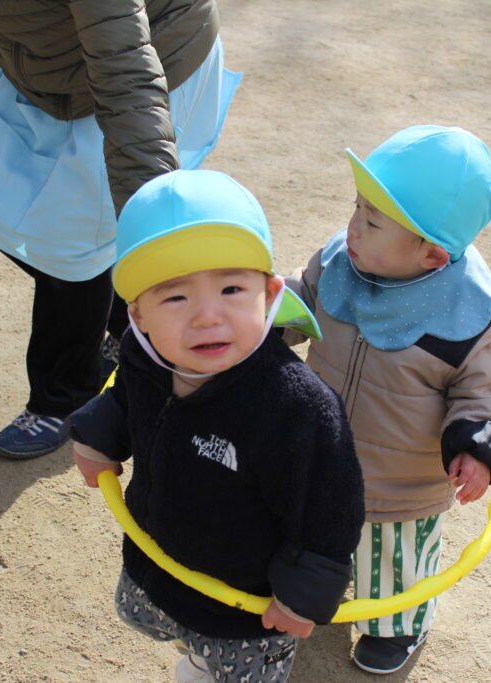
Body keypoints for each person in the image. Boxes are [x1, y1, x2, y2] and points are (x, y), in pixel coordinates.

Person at [0, 0, 240, 459]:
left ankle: (65, 398)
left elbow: (125, 71)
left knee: (71, 247)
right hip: (47, 67)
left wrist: (146, 213)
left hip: (144, 65)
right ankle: (123, 323)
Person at [68, 169, 366, 682]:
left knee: (235, 670)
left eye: (231, 288)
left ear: (270, 294)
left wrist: (303, 592)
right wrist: (99, 436)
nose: (208, 316)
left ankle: (213, 662)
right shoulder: (146, 354)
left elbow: (328, 513)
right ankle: (195, 653)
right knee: (173, 621)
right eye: (175, 297)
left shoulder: (296, 408)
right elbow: (127, 397)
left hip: (245, 603)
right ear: (137, 317)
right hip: (164, 557)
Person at [283, 125, 491, 675]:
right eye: (357, 207)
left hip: (399, 481)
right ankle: (316, 583)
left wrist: (479, 445)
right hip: (319, 451)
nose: (352, 227)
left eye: (371, 220)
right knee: (309, 527)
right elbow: (304, 297)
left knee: (395, 560)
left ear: (432, 256)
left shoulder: (467, 315)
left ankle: (398, 628)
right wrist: (257, 316)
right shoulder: (342, 260)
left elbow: (487, 392)